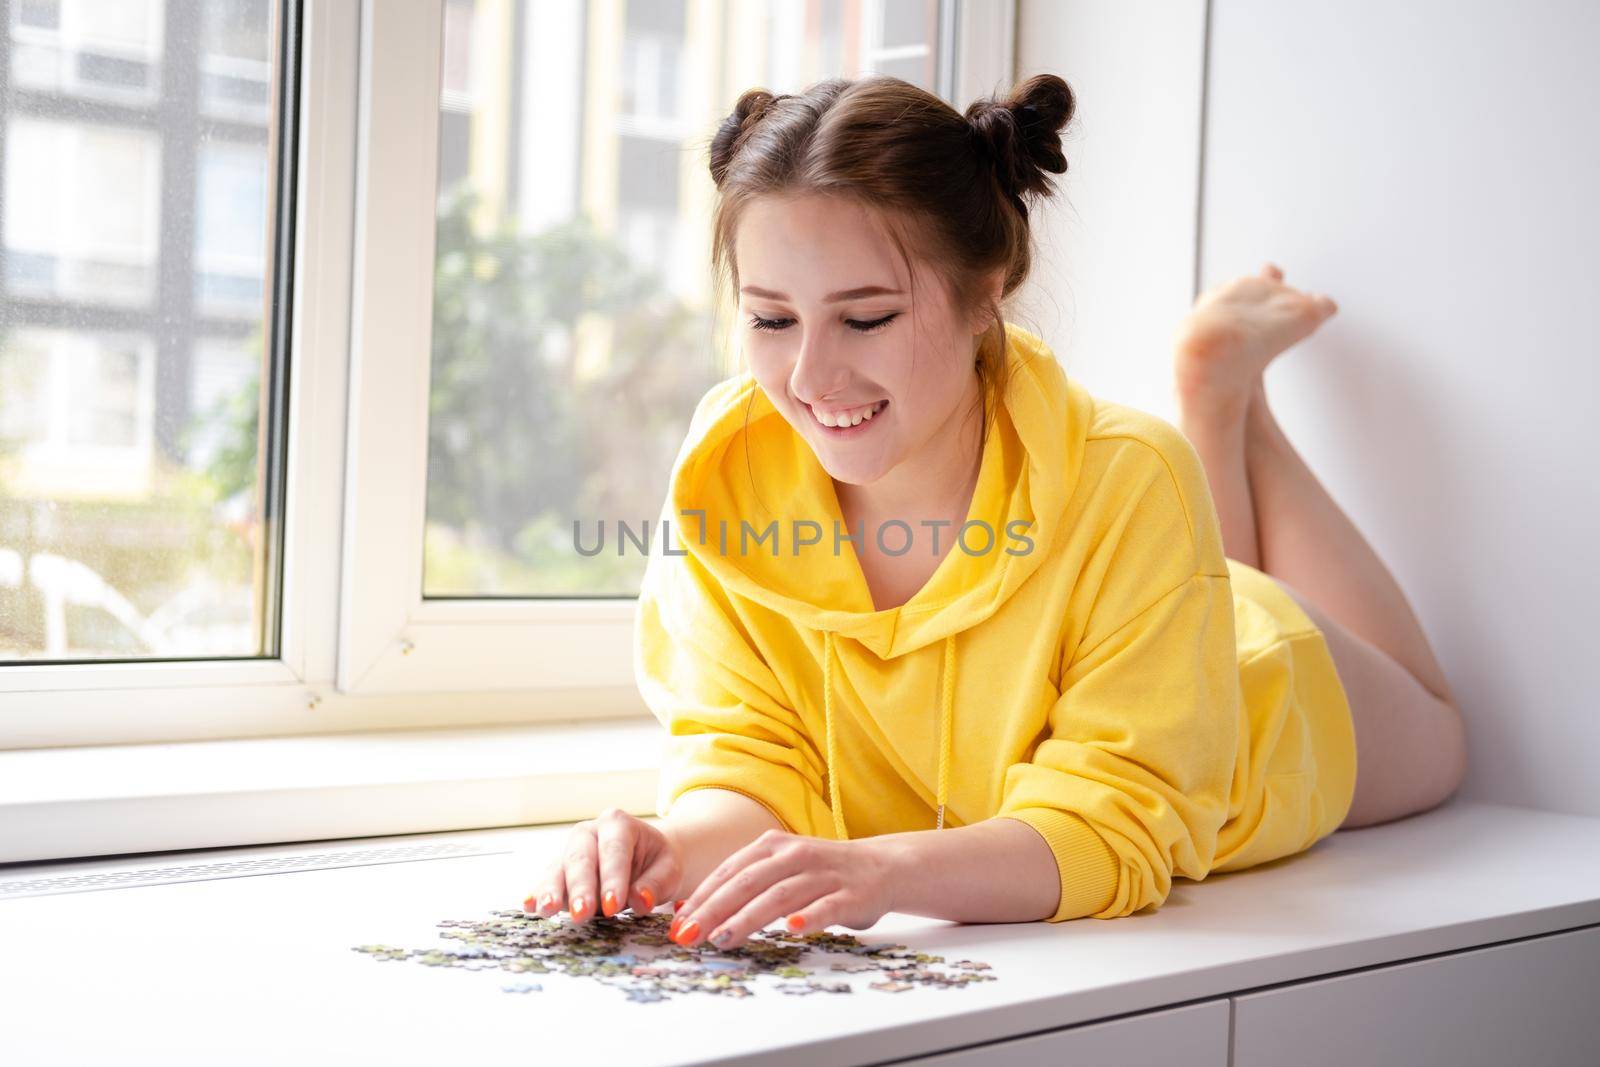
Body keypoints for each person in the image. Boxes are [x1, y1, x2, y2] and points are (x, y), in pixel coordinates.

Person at [523, 72, 1467, 950]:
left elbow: (1118, 820)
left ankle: (1221, 402)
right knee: (1184, 537)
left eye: (866, 318)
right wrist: (671, 848)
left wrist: (883, 870)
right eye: (772, 319)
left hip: (1253, 696)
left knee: (1442, 740)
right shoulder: (727, 481)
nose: (810, 376)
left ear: (986, 295)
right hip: (1151, 603)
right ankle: (1220, 396)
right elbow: (753, 758)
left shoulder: (1133, 479)